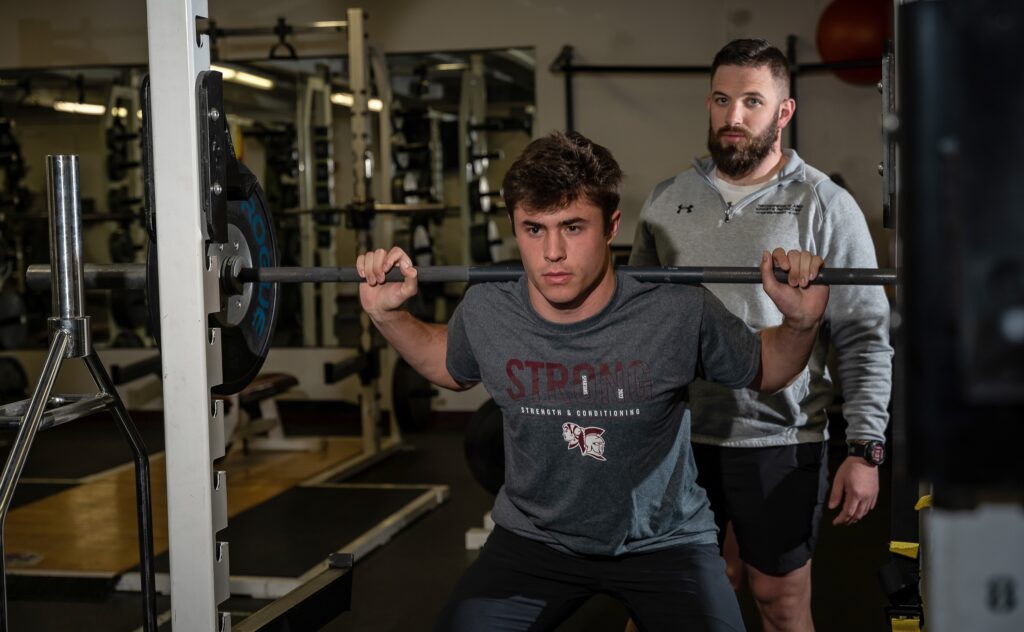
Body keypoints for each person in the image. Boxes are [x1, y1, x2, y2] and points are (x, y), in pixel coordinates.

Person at [358, 130, 831, 631]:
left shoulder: (675, 311)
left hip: (663, 542)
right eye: (534, 230)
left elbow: (766, 369)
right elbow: (448, 364)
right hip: (534, 540)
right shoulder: (489, 309)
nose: (553, 253)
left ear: (611, 226)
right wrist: (389, 317)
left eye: (573, 227)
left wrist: (800, 324)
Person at [629, 39, 894, 632]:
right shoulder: (666, 202)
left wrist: (865, 449)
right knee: (690, 597)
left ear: (784, 112)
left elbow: (864, 335)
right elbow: (638, 321)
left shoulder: (825, 204)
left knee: (779, 601)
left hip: (779, 438)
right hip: (680, 437)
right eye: (723, 99)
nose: (734, 116)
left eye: (753, 101)